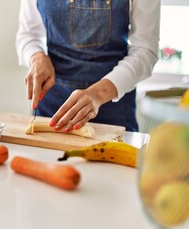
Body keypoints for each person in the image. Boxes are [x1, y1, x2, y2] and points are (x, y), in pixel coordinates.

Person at [15, 0, 160, 132]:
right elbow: (28, 34)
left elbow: (145, 50)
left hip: (114, 111)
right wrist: (36, 57)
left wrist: (98, 94)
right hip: (51, 107)